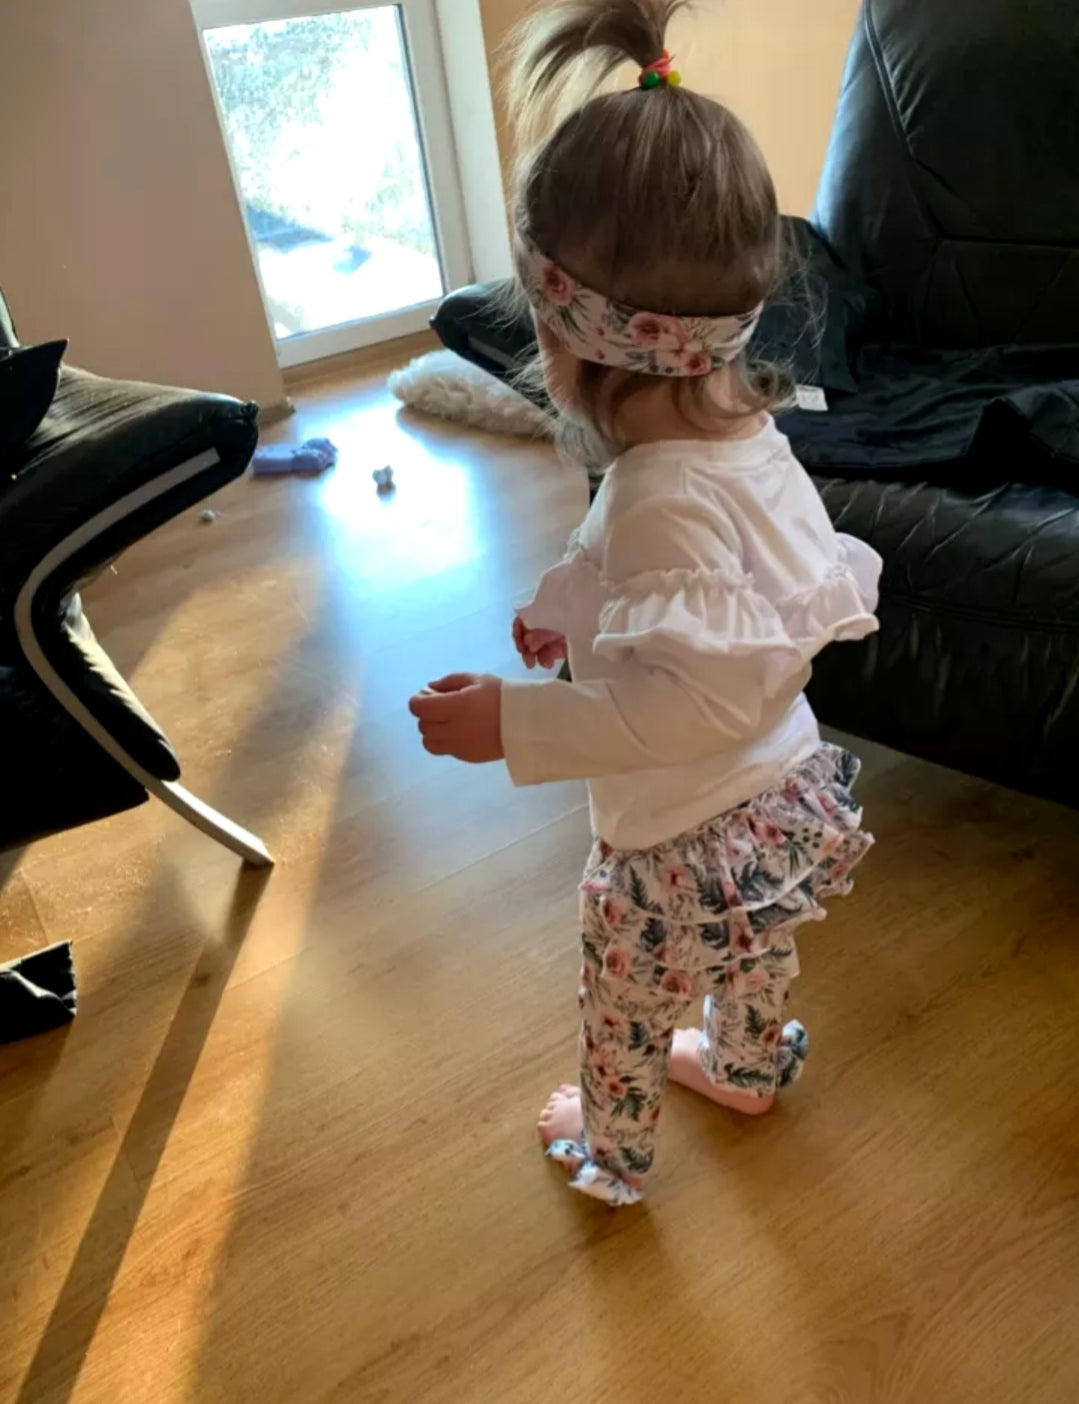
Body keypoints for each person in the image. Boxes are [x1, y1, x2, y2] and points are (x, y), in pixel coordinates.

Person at [409, 0, 880, 1206]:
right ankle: (742, 1063)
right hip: (777, 791)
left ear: (564, 333)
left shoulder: (657, 493)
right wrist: (568, 609)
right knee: (754, 946)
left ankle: (608, 1144)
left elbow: (675, 710)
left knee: (621, 993)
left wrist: (514, 720)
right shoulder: (749, 436)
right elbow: (712, 599)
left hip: (678, 829)